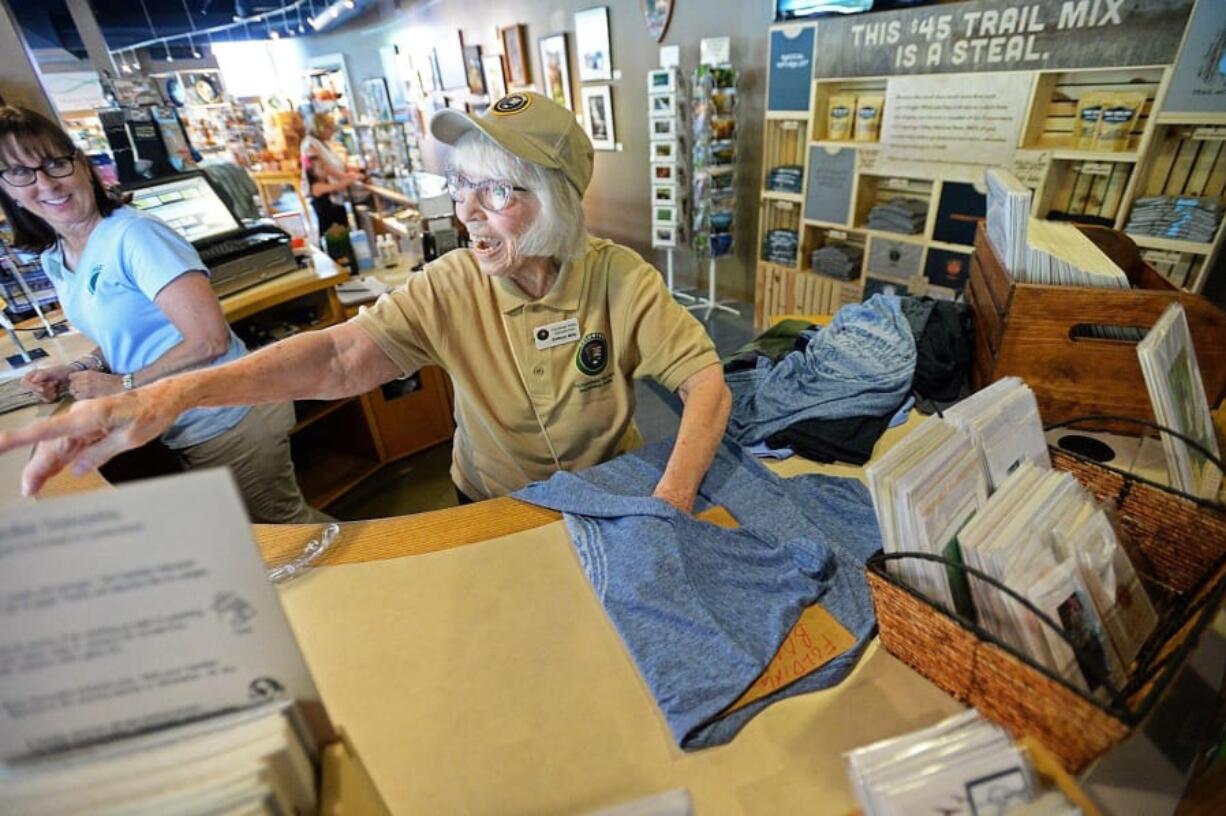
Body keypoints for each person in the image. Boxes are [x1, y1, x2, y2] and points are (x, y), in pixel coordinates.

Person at [0, 92, 732, 513]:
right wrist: (175, 392)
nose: (469, 212)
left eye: (497, 191)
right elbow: (340, 354)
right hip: (493, 504)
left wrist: (667, 501)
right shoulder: (451, 285)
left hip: (616, 494)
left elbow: (704, 381)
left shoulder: (620, 278)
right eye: (462, 185)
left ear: (560, 205)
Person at [0, 106, 327, 523]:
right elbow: (128, 332)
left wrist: (122, 383)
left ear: (81, 165)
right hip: (179, 421)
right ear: (7, 190)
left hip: (226, 413)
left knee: (286, 531)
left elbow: (209, 340)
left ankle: (386, 574)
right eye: (20, 172)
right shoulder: (56, 255)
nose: (45, 183)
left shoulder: (134, 235)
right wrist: (83, 367)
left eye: (54, 163)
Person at [300, 112, 360, 236]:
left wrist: (354, 170)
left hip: (335, 194)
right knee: (333, 234)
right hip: (325, 196)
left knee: (342, 230)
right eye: (330, 128)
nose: (332, 131)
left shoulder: (323, 143)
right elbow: (322, 168)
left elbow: (335, 164)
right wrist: (346, 177)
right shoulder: (310, 144)